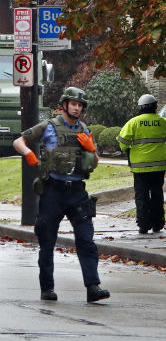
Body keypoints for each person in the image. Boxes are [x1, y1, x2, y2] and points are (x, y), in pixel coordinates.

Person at [12, 87, 110, 302]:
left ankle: (93, 287)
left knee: (86, 240)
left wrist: (91, 148)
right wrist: (28, 153)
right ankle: (47, 288)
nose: (77, 108)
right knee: (47, 240)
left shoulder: (85, 129)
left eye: (80, 105)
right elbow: (19, 141)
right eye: (73, 104)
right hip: (53, 191)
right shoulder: (48, 126)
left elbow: (94, 162)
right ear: (64, 105)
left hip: (77, 192)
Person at [117, 94, 166, 234]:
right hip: (159, 167)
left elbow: (122, 143)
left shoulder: (133, 123)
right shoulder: (163, 121)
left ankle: (143, 224)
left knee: (141, 196)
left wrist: (129, 150)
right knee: (157, 194)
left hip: (140, 167)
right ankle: (158, 223)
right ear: (155, 106)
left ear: (140, 107)